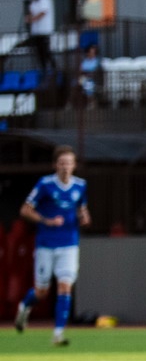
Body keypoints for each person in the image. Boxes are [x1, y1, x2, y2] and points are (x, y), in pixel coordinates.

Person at [15, 145, 90, 346]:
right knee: (41, 292)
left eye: (68, 163)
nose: (65, 167)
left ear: (74, 165)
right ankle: (24, 306)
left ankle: (58, 334)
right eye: (61, 163)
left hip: (69, 244)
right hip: (46, 244)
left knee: (65, 286)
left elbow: (83, 210)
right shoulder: (45, 184)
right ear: (55, 165)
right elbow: (25, 209)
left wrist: (84, 218)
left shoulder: (81, 186)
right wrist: (46, 220)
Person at [24, 0, 56, 76]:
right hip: (36, 32)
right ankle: (43, 69)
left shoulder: (46, 0)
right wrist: (28, 17)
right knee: (39, 53)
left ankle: (53, 68)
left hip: (45, 31)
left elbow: (42, 13)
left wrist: (32, 19)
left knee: (46, 51)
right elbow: (31, 12)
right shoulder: (34, 2)